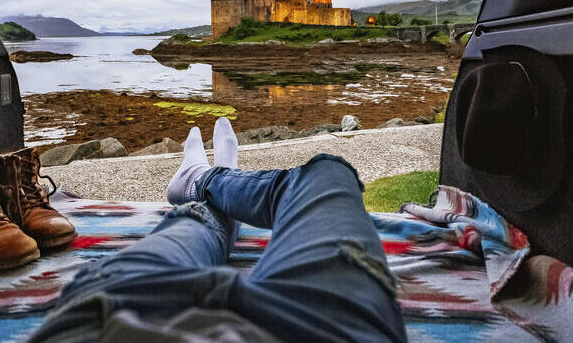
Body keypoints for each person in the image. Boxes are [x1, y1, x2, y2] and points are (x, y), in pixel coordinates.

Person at [32, 117, 407, 342]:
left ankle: (199, 178)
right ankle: (209, 178)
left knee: (195, 221)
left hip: (108, 322)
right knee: (329, 172)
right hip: (326, 329)